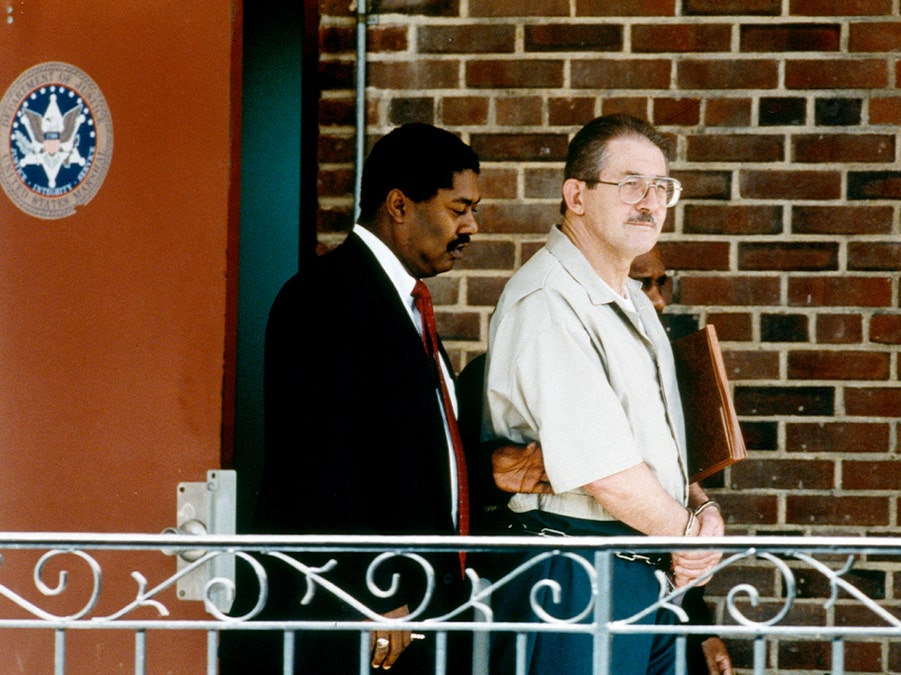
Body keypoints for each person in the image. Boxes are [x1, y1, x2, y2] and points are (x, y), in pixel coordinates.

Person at [220, 122, 481, 674]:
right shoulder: (324, 297)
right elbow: (315, 464)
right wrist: (372, 593)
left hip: (411, 614)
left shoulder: (404, 303)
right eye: (459, 208)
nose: (471, 227)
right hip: (355, 620)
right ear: (399, 205)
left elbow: (414, 455)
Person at [482, 114, 725, 675]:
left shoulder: (634, 300)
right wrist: (690, 537)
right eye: (631, 184)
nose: (650, 202)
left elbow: (652, 444)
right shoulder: (548, 299)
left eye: (662, 187)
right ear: (577, 196)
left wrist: (701, 508)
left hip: (643, 571)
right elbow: (605, 470)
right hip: (575, 572)